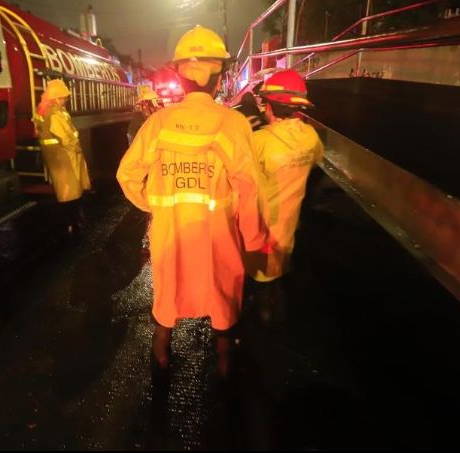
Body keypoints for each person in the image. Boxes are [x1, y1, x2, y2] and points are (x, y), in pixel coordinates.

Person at [116, 25, 267, 378]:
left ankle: (161, 356)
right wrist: (255, 239)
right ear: (219, 79)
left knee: (168, 297)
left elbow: (127, 175)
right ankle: (226, 366)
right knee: (223, 300)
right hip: (219, 240)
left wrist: (154, 204)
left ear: (179, 78)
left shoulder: (158, 124)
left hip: (171, 236)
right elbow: (250, 188)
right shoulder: (232, 124)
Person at [246, 70, 323, 322]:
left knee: (260, 286)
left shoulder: (259, 142)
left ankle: (263, 333)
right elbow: (313, 165)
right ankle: (278, 313)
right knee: (279, 281)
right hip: (289, 231)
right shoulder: (310, 137)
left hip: (262, 234)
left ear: (270, 107)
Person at [37, 79, 91, 235]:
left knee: (65, 190)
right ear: (56, 97)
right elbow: (65, 136)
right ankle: (72, 223)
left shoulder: (44, 109)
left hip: (56, 156)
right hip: (65, 156)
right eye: (64, 97)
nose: (66, 100)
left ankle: (70, 221)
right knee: (70, 191)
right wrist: (76, 147)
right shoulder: (55, 113)